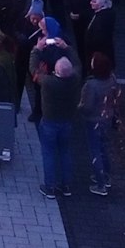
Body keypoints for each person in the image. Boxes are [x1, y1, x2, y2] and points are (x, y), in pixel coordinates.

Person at [37, 54, 83, 199]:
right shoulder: (75, 80)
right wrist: (67, 48)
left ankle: (50, 187)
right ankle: (66, 186)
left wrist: (37, 50)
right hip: (67, 122)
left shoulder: (48, 82)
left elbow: (34, 69)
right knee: (65, 153)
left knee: (48, 153)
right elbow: (78, 64)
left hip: (49, 122)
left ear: (56, 72)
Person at [80, 52, 120, 196]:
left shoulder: (91, 85)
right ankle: (106, 176)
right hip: (107, 119)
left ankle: (100, 183)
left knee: (95, 151)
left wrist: (80, 107)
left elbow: (87, 107)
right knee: (103, 148)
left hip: (93, 121)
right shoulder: (112, 79)